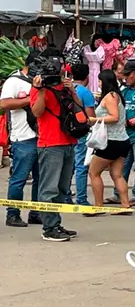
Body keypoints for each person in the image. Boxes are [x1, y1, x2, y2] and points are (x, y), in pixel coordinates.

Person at [29, 53, 82, 242]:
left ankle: (56, 223)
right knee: (49, 188)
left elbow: (80, 109)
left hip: (69, 142)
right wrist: (41, 90)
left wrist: (73, 91)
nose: (58, 73)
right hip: (50, 144)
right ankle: (48, 228)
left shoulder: (65, 87)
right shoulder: (38, 88)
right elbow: (37, 112)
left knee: (62, 188)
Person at [1, 52, 42, 227]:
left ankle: (35, 212)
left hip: (41, 137)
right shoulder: (14, 81)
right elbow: (4, 104)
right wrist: (29, 99)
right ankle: (13, 214)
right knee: (19, 178)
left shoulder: (40, 82)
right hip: (22, 138)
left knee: (40, 179)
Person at [86, 70, 132, 216]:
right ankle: (125, 204)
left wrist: (95, 120)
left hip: (110, 142)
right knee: (117, 174)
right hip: (122, 140)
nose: (98, 84)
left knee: (94, 172)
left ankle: (98, 206)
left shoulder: (110, 97)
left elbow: (115, 117)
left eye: (100, 81)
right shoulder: (118, 95)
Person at [109, 61, 135, 206]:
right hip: (124, 135)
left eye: (128, 75)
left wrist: (133, 121)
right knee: (122, 165)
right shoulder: (125, 91)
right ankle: (118, 193)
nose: (125, 78)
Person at [70, 63, 96, 205]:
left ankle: (67, 196)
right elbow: (90, 117)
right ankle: (81, 199)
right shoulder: (86, 93)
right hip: (81, 132)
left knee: (69, 166)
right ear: (87, 77)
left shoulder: (67, 89)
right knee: (81, 166)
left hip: (67, 131)